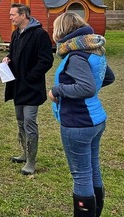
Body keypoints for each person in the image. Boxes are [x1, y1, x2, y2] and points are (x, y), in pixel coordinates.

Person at [47, 13, 114, 217]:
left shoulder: (76, 55)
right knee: (92, 169)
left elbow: (86, 88)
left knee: (81, 174)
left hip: (78, 122)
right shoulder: (94, 49)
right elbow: (108, 78)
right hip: (94, 119)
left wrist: (58, 90)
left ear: (62, 31)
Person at [1, 3, 53, 175]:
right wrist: (8, 59)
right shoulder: (16, 34)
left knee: (30, 122)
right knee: (20, 121)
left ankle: (31, 161)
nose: (10, 17)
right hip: (17, 87)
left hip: (32, 87)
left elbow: (46, 60)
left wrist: (30, 76)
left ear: (23, 15)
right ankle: (24, 153)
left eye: (13, 14)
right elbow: (14, 54)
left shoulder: (40, 34)